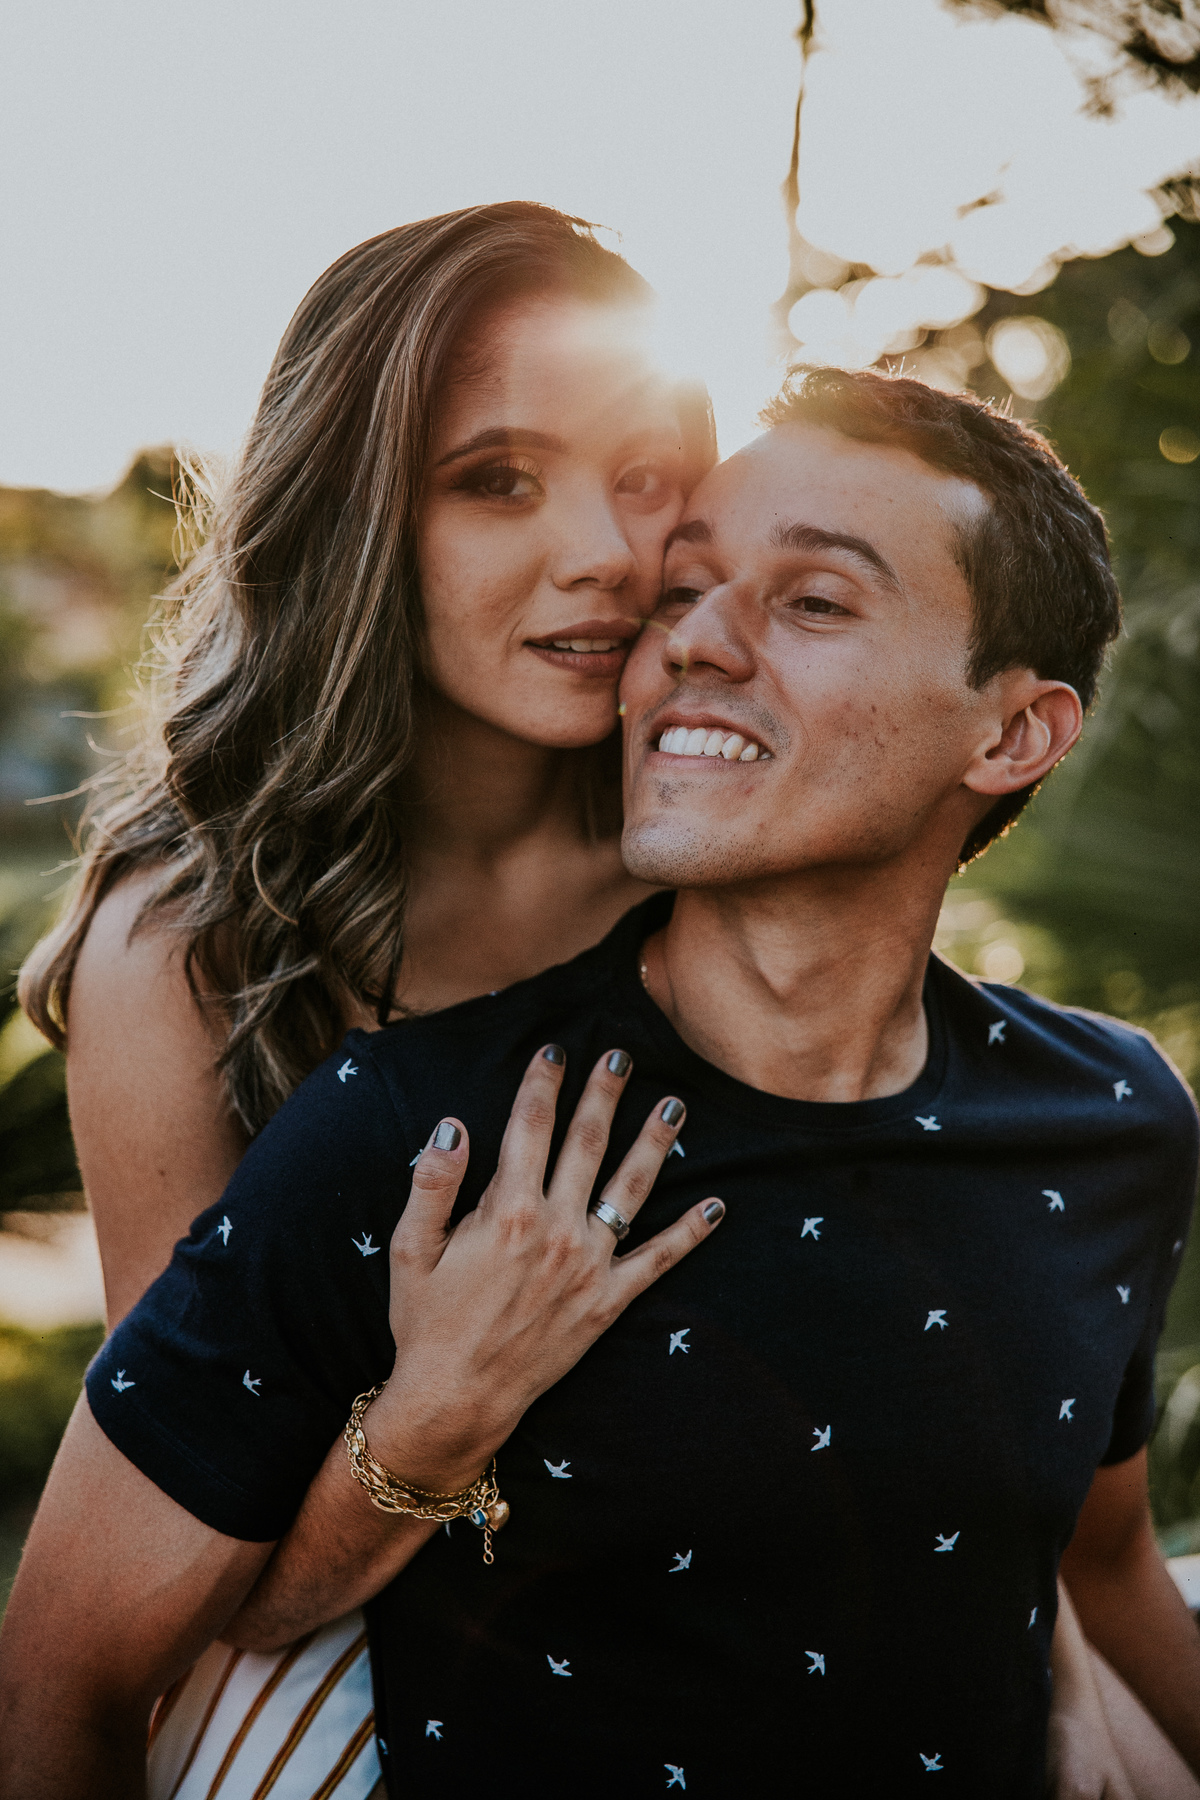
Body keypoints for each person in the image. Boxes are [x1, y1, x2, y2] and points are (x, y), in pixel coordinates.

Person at [5, 367, 1200, 1795]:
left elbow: (1109, 1552)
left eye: (814, 601)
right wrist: (431, 1418)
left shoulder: (1112, 1117)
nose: (692, 643)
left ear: (1012, 733)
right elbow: (82, 1672)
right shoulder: (413, 1134)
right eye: (683, 593)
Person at [13, 202, 714, 1797]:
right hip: (339, 1661)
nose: (604, 551)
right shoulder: (190, 947)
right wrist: (437, 1410)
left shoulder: (720, 853)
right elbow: (203, 1572)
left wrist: (1057, 1650)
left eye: (648, 479)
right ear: (355, 517)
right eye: (498, 481)